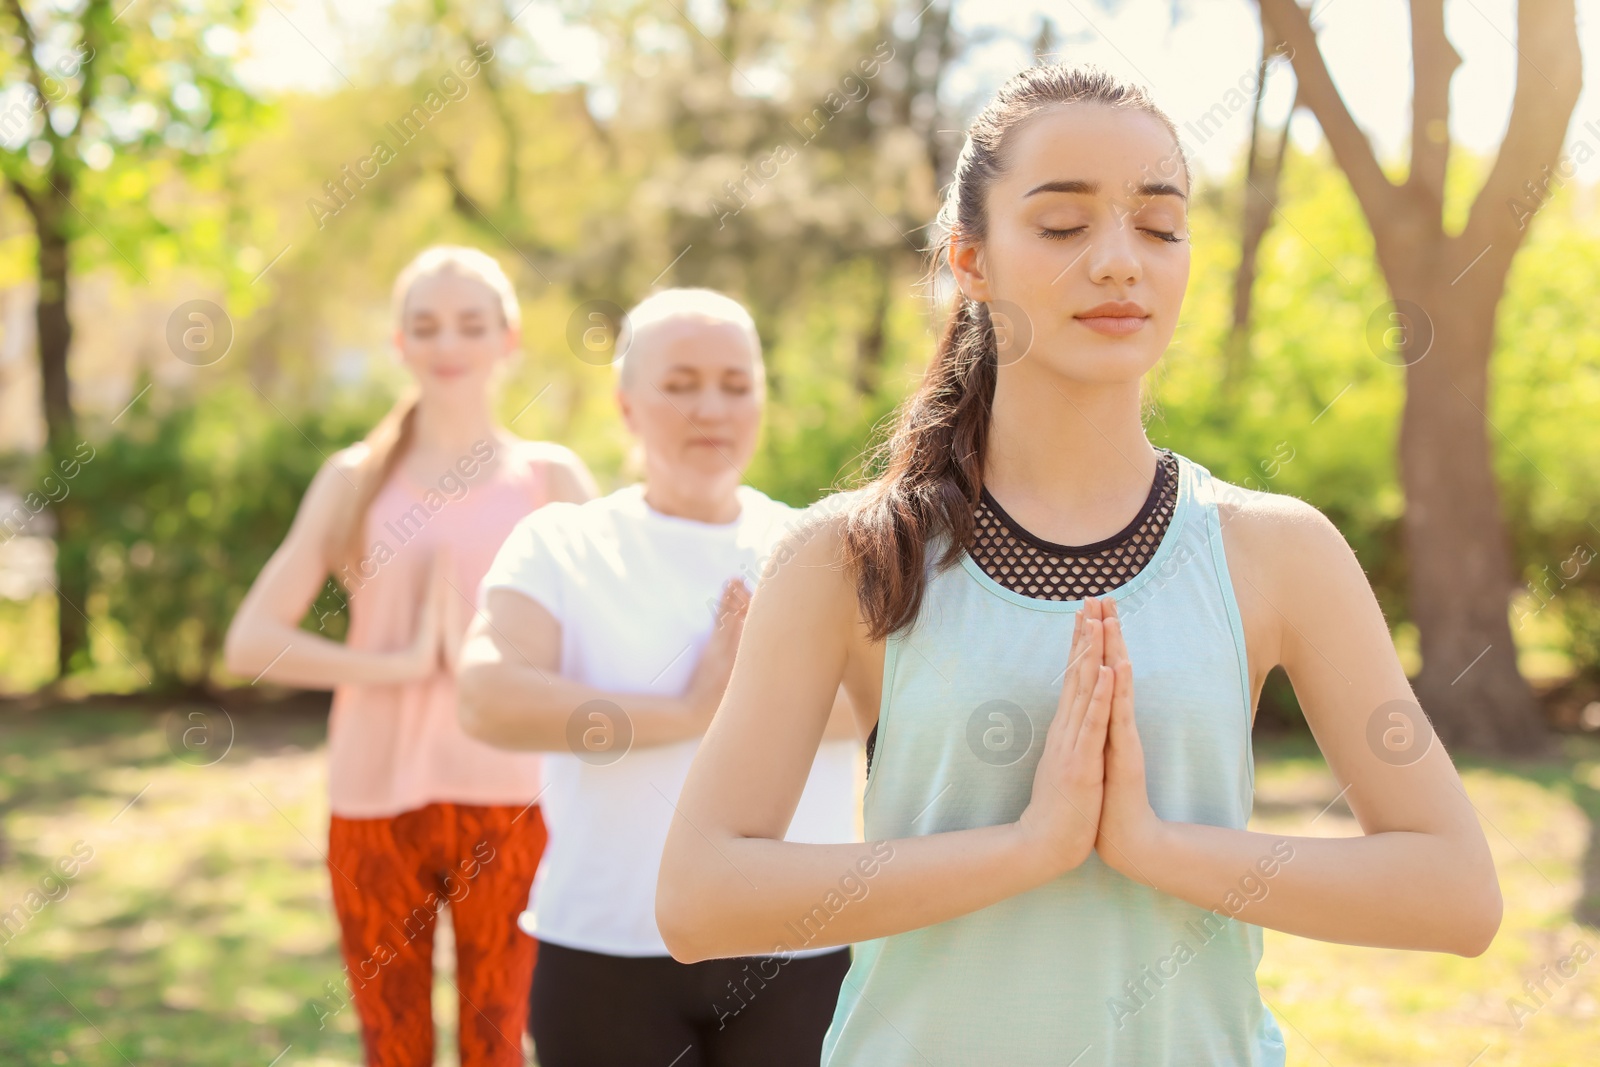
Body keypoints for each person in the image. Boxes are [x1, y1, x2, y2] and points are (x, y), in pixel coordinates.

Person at [654, 64, 1503, 1067]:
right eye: (1062, 226)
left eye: (1158, 224)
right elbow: (699, 898)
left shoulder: (1280, 551)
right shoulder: (844, 556)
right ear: (970, 260)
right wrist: (1023, 849)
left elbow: (1456, 892)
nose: (1117, 262)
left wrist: (1159, 847)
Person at [456, 287, 862, 1067]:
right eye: (680, 384)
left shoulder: (823, 547)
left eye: (736, 385)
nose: (711, 407)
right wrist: (681, 710)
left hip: (797, 947)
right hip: (605, 949)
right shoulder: (563, 542)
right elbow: (488, 695)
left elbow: (883, 703)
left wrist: (735, 704)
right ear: (627, 404)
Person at [224, 245, 597, 1067]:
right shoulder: (352, 478)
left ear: (510, 338)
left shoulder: (550, 479)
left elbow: (613, 632)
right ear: (399, 343)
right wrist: (393, 665)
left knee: (494, 1042)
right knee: (391, 1046)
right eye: (425, 325)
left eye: (470, 323)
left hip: (513, 805)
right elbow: (251, 640)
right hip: (373, 804)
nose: (448, 343)